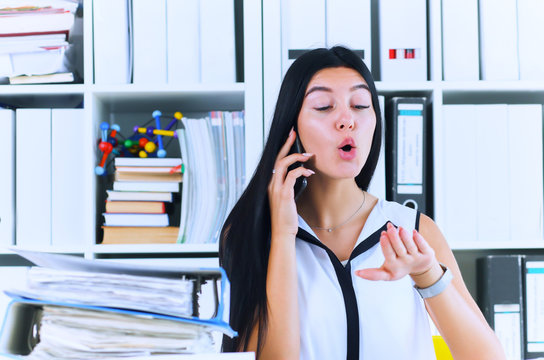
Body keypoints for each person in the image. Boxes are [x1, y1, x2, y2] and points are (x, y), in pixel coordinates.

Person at [219, 46, 505, 360]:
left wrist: (427, 274)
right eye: (324, 106)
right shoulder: (252, 232)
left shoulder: (414, 229)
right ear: (293, 126)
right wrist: (283, 237)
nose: (347, 120)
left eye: (359, 104)